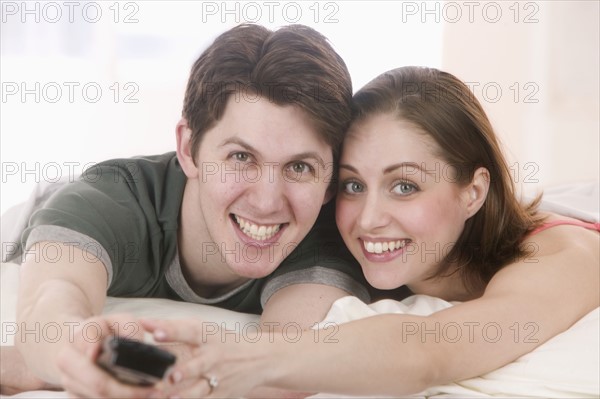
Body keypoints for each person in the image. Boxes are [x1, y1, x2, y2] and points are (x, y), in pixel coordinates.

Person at [141, 66, 600, 397]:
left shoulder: (561, 259)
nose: (367, 218)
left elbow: (428, 350)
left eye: (405, 185)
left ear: (473, 192)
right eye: (353, 184)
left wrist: (253, 363)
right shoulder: (320, 225)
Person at [1, 24, 371, 398]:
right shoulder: (109, 201)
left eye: (299, 167)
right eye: (241, 157)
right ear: (189, 148)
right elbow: (52, 304)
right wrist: (77, 352)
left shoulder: (329, 235)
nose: (267, 201)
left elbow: (277, 366)